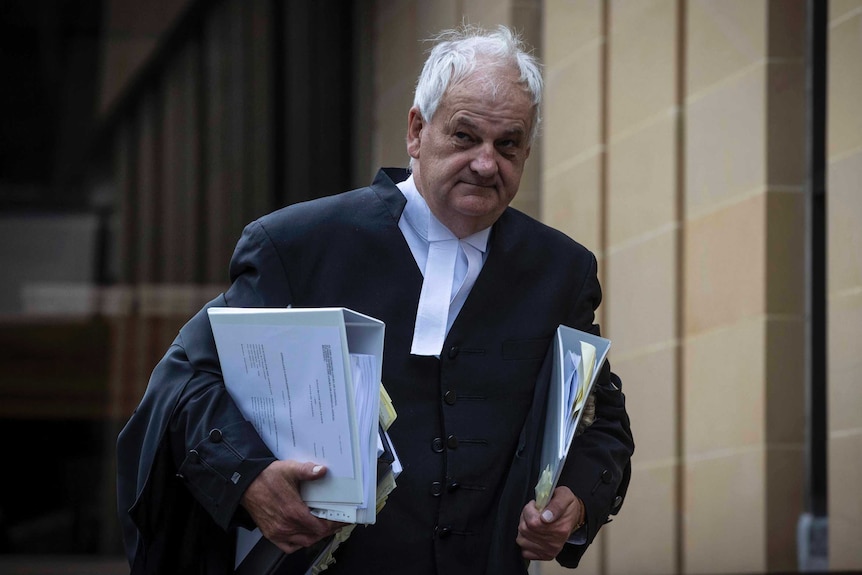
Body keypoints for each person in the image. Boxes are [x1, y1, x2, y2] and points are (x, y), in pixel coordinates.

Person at [117, 24, 634, 575]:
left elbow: (600, 419)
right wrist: (247, 475)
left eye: (508, 144)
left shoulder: (562, 270)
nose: (487, 163)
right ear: (416, 130)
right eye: (465, 137)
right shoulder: (298, 245)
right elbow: (189, 385)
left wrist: (576, 499)